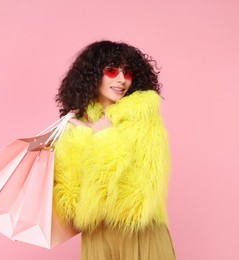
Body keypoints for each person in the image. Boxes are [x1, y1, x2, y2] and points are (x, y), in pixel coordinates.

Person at [53, 40, 176, 260]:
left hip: (138, 232)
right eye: (111, 70)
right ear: (92, 75)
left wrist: (103, 135)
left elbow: (143, 193)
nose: (121, 79)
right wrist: (72, 140)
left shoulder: (143, 117)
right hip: (96, 235)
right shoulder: (78, 123)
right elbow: (72, 199)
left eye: (127, 72)